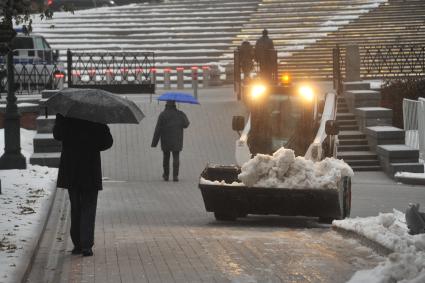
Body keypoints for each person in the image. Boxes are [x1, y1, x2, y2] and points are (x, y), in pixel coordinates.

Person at [53, 114, 113, 257]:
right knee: (89, 206)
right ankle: (86, 245)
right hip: (90, 168)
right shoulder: (96, 115)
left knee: (75, 207)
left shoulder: (65, 114)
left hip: (71, 168)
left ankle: (77, 244)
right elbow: (107, 142)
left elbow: (57, 135)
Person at [151, 100, 190, 182]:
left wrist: (154, 143)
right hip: (177, 139)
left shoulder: (162, 115)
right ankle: (175, 176)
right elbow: (186, 124)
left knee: (166, 157)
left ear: (166, 105)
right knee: (176, 157)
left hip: (165, 139)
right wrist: (181, 115)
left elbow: (158, 129)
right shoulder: (180, 114)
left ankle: (166, 175)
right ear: (174, 105)